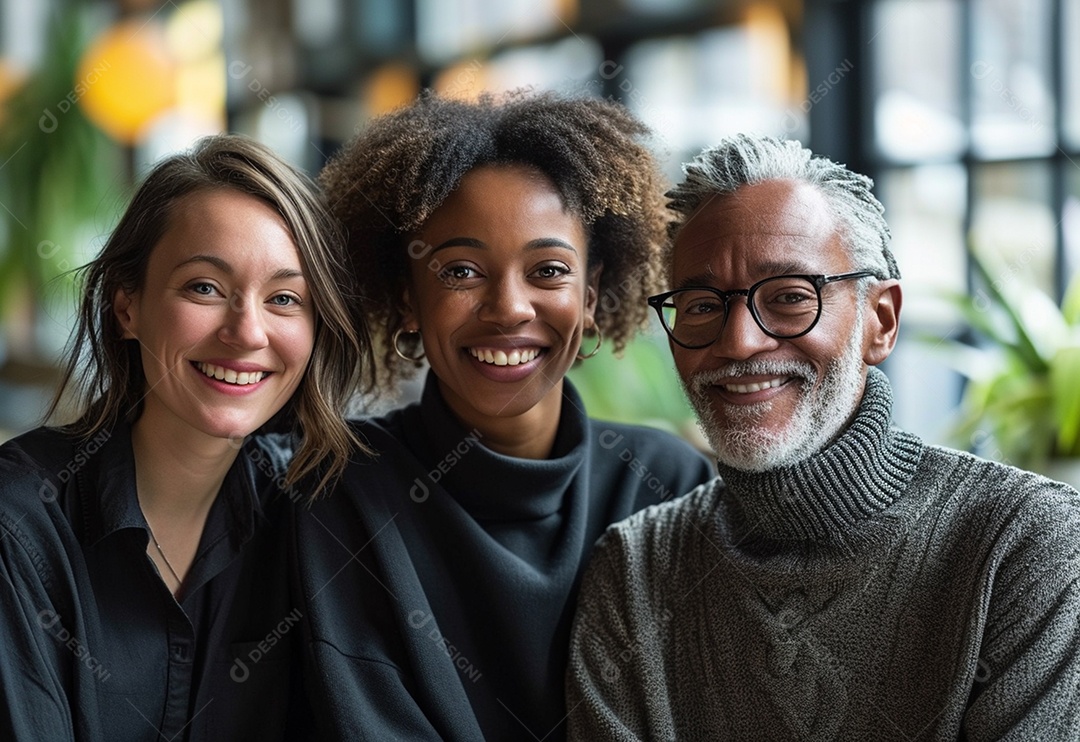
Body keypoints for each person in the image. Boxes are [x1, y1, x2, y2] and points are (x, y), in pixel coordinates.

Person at [566, 133, 1080, 740]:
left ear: (880, 322)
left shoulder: (1024, 543)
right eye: (702, 305)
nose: (739, 343)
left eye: (789, 297)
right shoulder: (633, 569)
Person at [293, 89, 715, 741]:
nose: (509, 307)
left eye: (548, 270)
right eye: (461, 271)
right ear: (408, 298)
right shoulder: (339, 487)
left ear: (592, 297)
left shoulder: (666, 484)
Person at [0, 134, 369, 741]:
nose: (247, 332)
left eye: (284, 298)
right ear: (127, 305)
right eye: (205, 287)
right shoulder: (21, 528)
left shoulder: (308, 518)